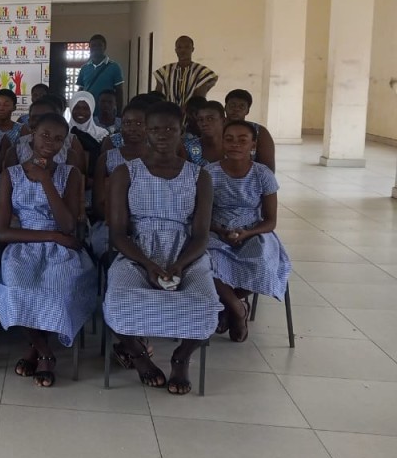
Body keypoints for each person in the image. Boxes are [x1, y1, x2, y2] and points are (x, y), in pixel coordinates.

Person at [102, 102, 220, 395]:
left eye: (170, 129)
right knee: (116, 301)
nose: (163, 135)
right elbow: (118, 233)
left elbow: (201, 235)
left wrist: (179, 264)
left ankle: (182, 356)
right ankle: (139, 356)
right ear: (145, 131)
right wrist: (148, 264)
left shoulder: (200, 176)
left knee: (206, 304)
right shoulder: (125, 172)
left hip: (186, 253)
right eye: (155, 129)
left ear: (182, 131)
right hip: (137, 252)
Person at [0, 114, 97, 388]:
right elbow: (2, 232)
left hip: (62, 248)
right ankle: (45, 352)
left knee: (57, 289)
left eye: (58, 139)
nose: (50, 143)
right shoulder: (11, 174)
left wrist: (46, 181)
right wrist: (51, 236)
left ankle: (34, 349)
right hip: (24, 244)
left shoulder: (70, 174)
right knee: (17, 287)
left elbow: (68, 225)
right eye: (45, 135)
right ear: (32, 136)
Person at [207, 121, 291, 343]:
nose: (235, 144)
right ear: (222, 142)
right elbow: (201, 215)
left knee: (263, 263)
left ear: (253, 145)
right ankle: (238, 308)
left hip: (254, 231)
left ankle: (227, 306)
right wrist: (220, 230)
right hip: (216, 230)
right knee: (205, 262)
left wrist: (246, 233)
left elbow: (271, 221)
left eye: (242, 140)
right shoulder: (209, 173)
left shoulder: (262, 174)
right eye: (229, 139)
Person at [91, 101, 149, 260]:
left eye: (139, 123)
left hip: (149, 224)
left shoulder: (158, 159)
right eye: (127, 123)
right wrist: (123, 224)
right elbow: (98, 205)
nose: (132, 128)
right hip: (112, 223)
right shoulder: (107, 158)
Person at [154, 35, 218, 106]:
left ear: (192, 49)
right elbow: (158, 96)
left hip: (192, 111)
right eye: (179, 47)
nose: (183, 51)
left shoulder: (202, 72)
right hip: (168, 111)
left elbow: (199, 99)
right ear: (176, 50)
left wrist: (186, 108)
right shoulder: (164, 71)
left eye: (187, 47)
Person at [224, 88, 276, 172]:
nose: (236, 109)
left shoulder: (260, 132)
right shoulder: (215, 129)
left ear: (247, 111)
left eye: (241, 106)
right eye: (232, 105)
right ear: (225, 107)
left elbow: (268, 170)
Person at [65, 91, 108, 177]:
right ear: (71, 108)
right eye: (77, 108)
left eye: (85, 108)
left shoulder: (102, 134)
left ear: (91, 110)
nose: (81, 112)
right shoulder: (64, 132)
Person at [77, 35, 125, 112]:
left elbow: (119, 91)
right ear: (90, 48)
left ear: (105, 47)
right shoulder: (84, 68)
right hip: (88, 110)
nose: (96, 48)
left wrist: (119, 112)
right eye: (93, 45)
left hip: (107, 110)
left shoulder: (114, 67)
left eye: (99, 45)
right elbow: (80, 90)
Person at [191, 99, 227, 167]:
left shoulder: (234, 147)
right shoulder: (188, 148)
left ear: (223, 120)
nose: (204, 123)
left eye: (210, 119)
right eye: (200, 119)